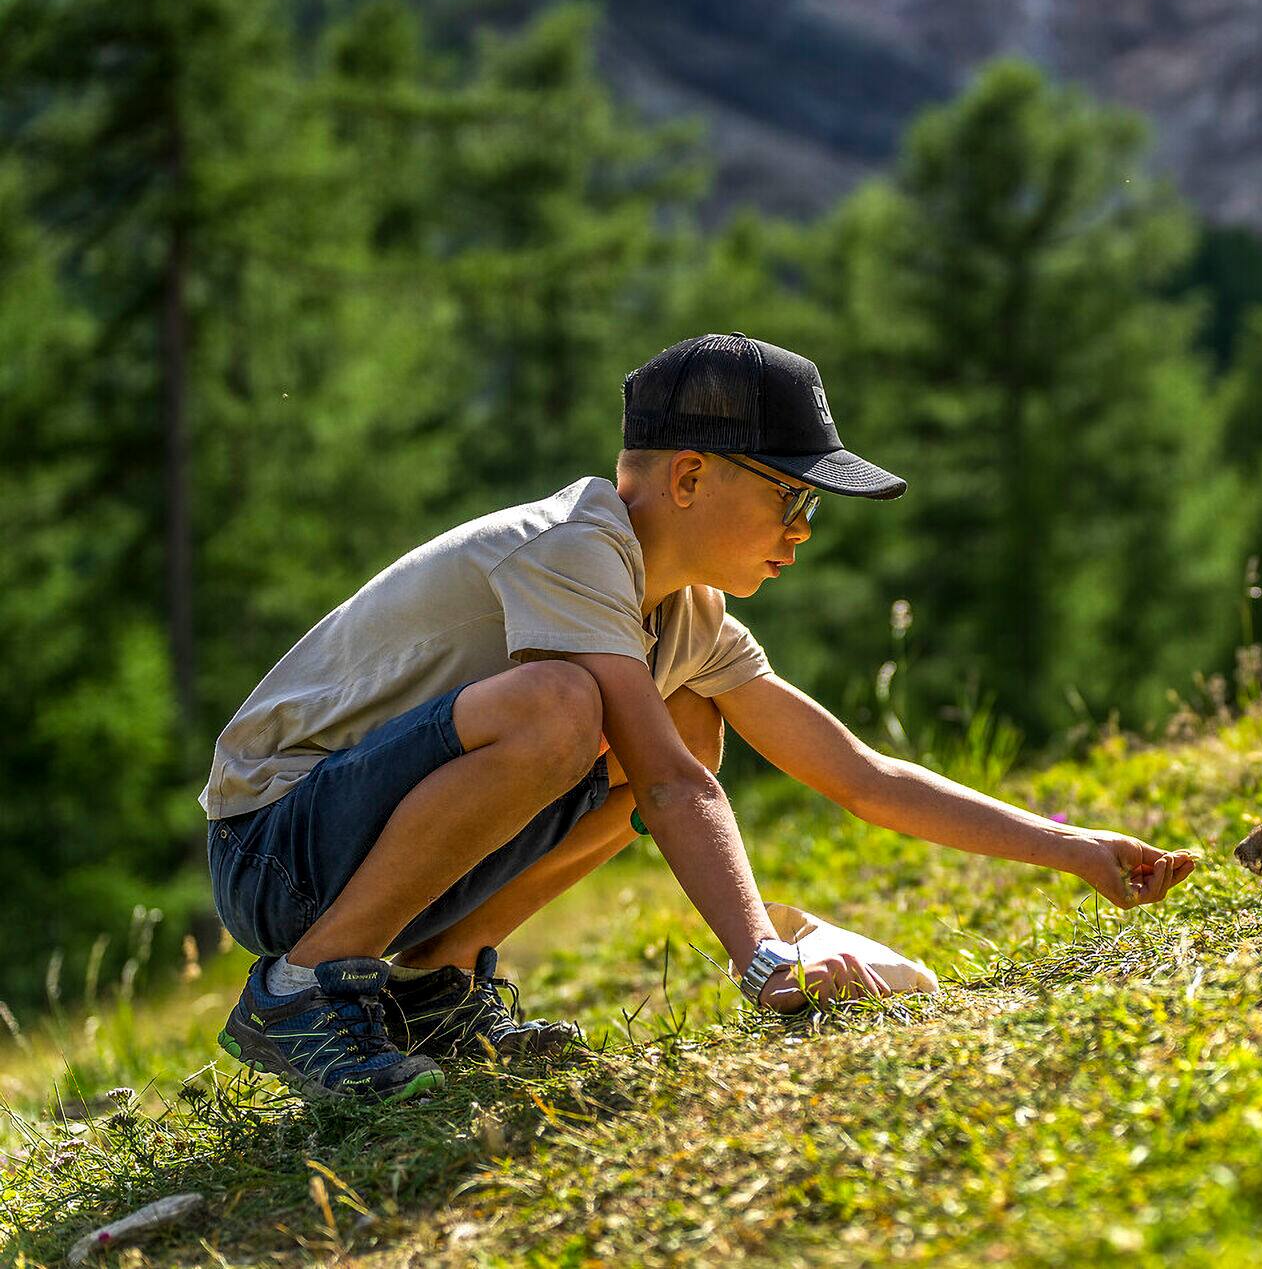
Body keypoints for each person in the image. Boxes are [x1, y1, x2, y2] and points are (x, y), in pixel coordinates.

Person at [199, 333, 1199, 1102]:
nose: (802, 535)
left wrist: (1075, 851)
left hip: (363, 855)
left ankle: (430, 991)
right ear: (689, 477)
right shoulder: (569, 548)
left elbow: (859, 775)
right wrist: (759, 955)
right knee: (564, 707)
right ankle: (304, 988)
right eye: (793, 500)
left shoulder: (685, 613)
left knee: (682, 716)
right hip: (276, 854)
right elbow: (675, 784)